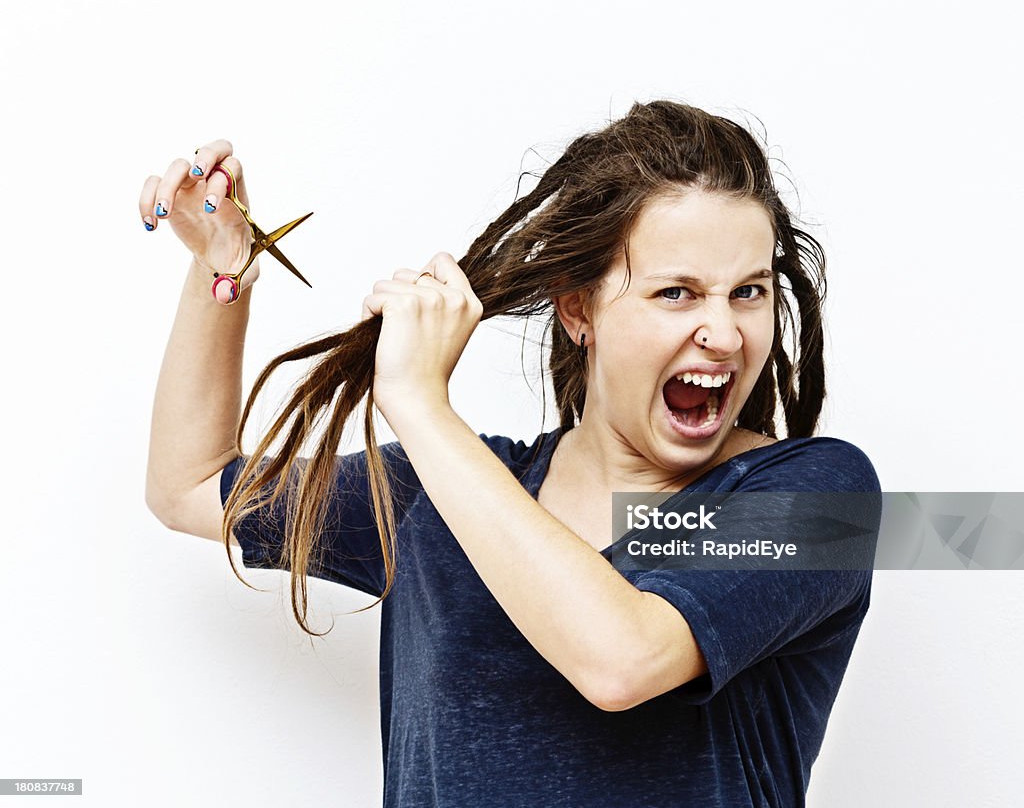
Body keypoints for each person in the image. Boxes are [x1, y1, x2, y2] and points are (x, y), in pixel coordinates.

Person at [144, 100, 881, 807]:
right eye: (678, 293)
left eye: (748, 291)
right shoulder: (434, 494)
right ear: (578, 309)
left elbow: (621, 658)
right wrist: (224, 268)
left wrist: (423, 404)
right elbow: (189, 484)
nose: (724, 333)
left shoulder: (821, 501)